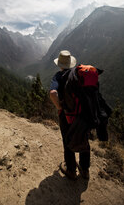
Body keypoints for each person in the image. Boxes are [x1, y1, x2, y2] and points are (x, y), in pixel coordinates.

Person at [49, 50, 90, 180]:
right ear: (71, 63)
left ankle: (71, 170)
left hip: (66, 114)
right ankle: (85, 169)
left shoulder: (58, 76)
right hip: (82, 114)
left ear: (60, 64)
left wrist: (59, 106)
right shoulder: (79, 75)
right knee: (84, 138)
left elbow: (52, 93)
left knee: (67, 140)